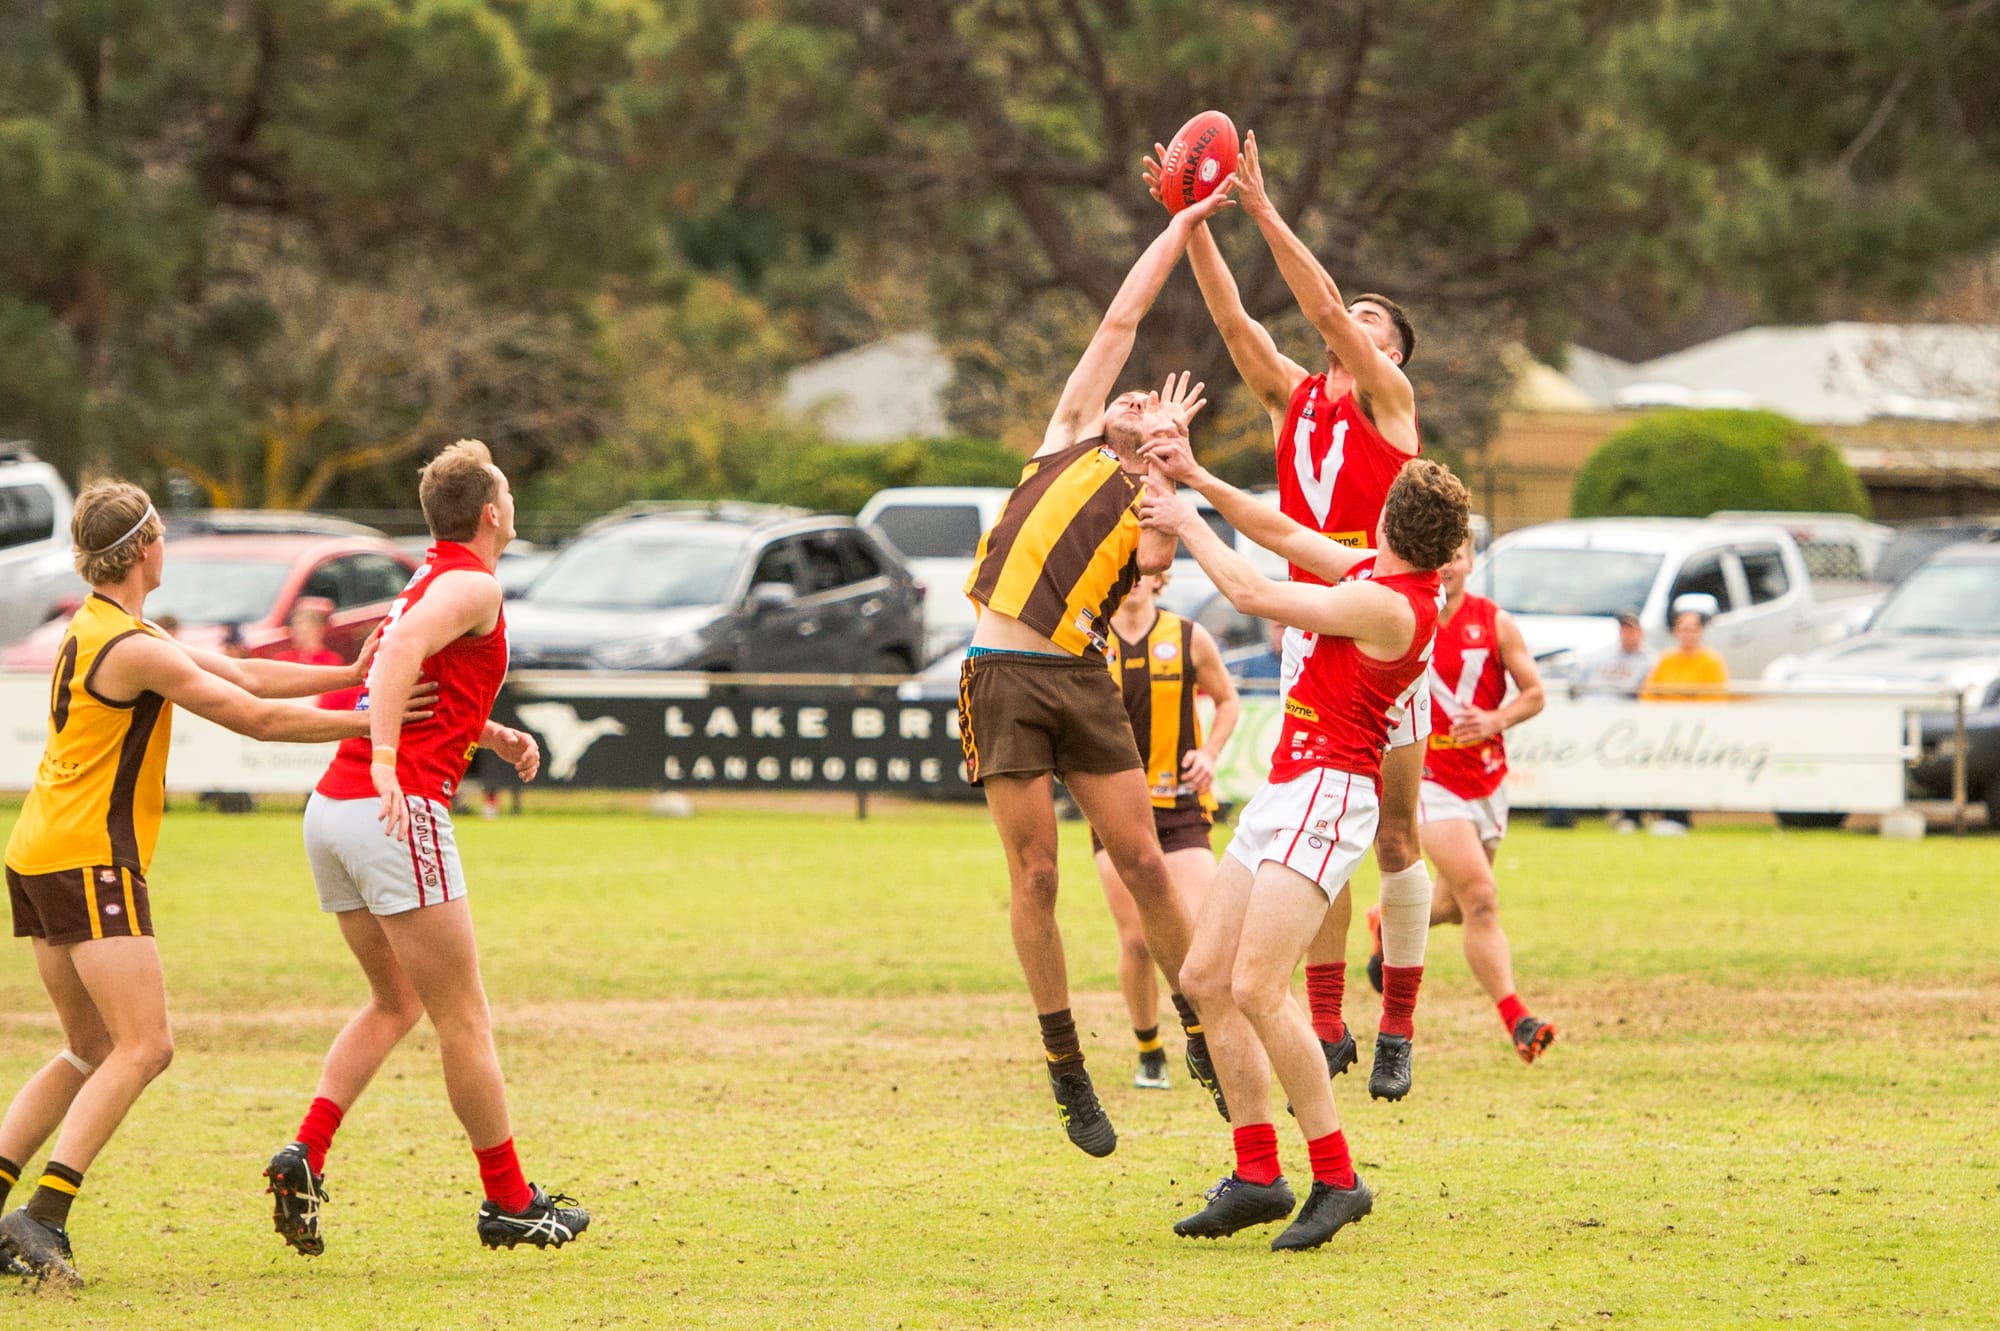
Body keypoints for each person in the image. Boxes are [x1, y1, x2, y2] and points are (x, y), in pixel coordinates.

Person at [0, 482, 388, 1286]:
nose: (167, 545)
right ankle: (41, 1218)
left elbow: (240, 671)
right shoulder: (134, 645)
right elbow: (257, 718)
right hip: (87, 859)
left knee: (87, 1049)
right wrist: (370, 719)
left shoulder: (106, 627)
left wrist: (348, 672)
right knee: (145, 1045)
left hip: (38, 849)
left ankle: (13, 1203)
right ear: (144, 549)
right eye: (163, 535)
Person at [1145, 131, 1433, 1102]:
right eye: (1349, 313)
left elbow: (1314, 301)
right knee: (1320, 836)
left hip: (1384, 613)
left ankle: (1394, 1018)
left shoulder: (1388, 400)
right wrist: (1190, 223)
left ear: (1389, 350)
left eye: (1368, 319)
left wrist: (1260, 205)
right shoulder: (1292, 397)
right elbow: (1234, 321)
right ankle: (1320, 1017)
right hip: (1313, 616)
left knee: (1392, 833)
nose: (1347, 319)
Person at [957, 187, 1239, 1158]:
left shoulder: (1149, 503)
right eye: (1128, 393)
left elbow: (1166, 556)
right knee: (1034, 877)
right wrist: (1182, 221)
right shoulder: (1066, 433)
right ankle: (1066, 1067)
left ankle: (1195, 1025)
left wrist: (1175, 465)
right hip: (1001, 671)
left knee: (1146, 861)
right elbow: (1121, 317)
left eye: (1144, 401)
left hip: (1081, 679)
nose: (1128, 396)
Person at [1139, 446, 1470, 1251]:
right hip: (1291, 781)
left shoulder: (1393, 607)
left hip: (1331, 791)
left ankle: (1337, 1176)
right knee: (1205, 978)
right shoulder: (1382, 573)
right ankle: (1258, 1174)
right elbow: (1282, 530)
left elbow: (1254, 590)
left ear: (1390, 521)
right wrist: (1199, 477)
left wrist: (1185, 519)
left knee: (1256, 985)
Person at [264, 440, 585, 1258]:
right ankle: (510, 1201)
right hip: (388, 810)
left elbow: (420, 683)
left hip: (330, 812)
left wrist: (492, 731)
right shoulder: (474, 581)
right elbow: (398, 663)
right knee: (463, 1015)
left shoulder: (427, 576)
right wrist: (383, 765)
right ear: (492, 512)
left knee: (395, 1001)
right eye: (507, 490)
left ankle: (306, 1148)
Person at [1088, 570, 1240, 1091]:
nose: (1131, 576)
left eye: (1141, 566)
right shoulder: (1089, 639)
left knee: (1200, 931)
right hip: (1115, 809)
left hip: (1179, 806)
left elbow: (1228, 701)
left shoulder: (1188, 636)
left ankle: (1210, 1040)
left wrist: (1210, 753)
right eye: (1120, 564)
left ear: (1160, 576)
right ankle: (1150, 1047)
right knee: (1137, 938)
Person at [1418, 538, 1555, 1063]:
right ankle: (1518, 1019)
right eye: (1439, 554)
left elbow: (1535, 692)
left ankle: (1387, 924)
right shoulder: (1409, 615)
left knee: (1453, 907)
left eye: (1456, 555)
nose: (1447, 565)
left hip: (1489, 779)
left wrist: (1495, 720)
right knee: (1481, 898)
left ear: (1472, 562)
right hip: (1432, 780)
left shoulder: (1495, 622)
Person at [1638, 594, 1730, 835]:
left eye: (1692, 629)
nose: (1687, 634)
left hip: (1695, 730)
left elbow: (1716, 699)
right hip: (1663, 728)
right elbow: (1649, 693)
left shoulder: (1712, 661)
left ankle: (1678, 817)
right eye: (1682, 628)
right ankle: (1635, 815)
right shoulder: (1666, 660)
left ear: (1700, 631)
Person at [1572, 610, 1657, 831]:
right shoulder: (1598, 656)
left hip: (1626, 727)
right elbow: (1578, 688)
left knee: (1629, 770)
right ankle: (1562, 812)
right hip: (1590, 720)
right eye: (1624, 629)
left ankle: (1630, 815)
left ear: (1641, 632)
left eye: (1632, 629)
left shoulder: (1651, 661)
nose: (1627, 634)